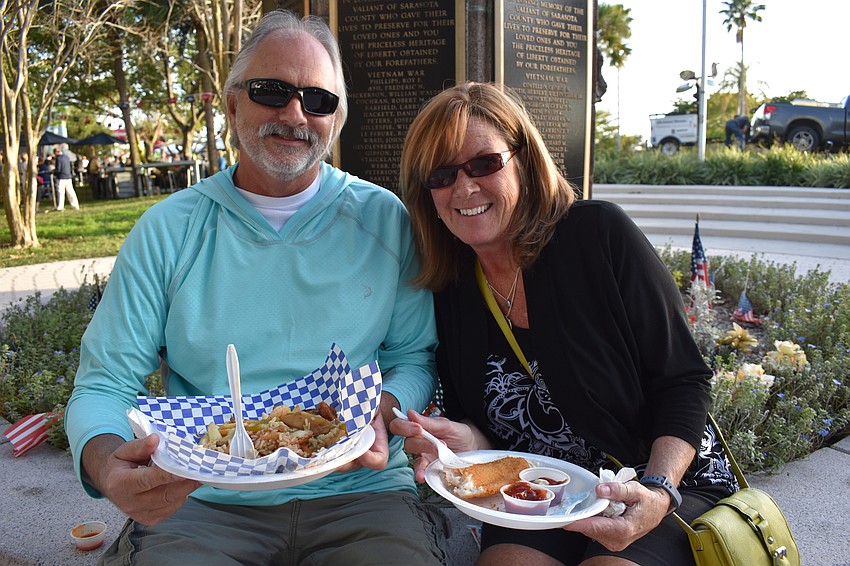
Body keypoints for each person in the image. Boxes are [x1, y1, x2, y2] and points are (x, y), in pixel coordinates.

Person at [64, 10, 447, 566]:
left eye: (318, 100)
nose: (296, 114)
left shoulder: (385, 221)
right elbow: (103, 383)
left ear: (336, 120)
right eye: (272, 91)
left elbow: (414, 358)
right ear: (232, 104)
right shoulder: (170, 230)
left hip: (361, 495)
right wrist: (106, 468)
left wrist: (378, 413)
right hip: (204, 499)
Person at [394, 82, 738, 566]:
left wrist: (659, 491)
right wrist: (464, 444)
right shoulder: (451, 287)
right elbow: (490, 428)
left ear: (523, 161)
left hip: (660, 484)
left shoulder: (597, 236)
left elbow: (685, 380)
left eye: (484, 163)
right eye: (442, 174)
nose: (464, 187)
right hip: (541, 495)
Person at [53, 146, 80, 210]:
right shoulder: (66, 157)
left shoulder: (58, 158)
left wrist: (54, 172)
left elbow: (58, 169)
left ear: (56, 152)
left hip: (61, 177)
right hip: (68, 176)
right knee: (70, 191)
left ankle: (60, 206)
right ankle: (75, 205)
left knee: (61, 192)